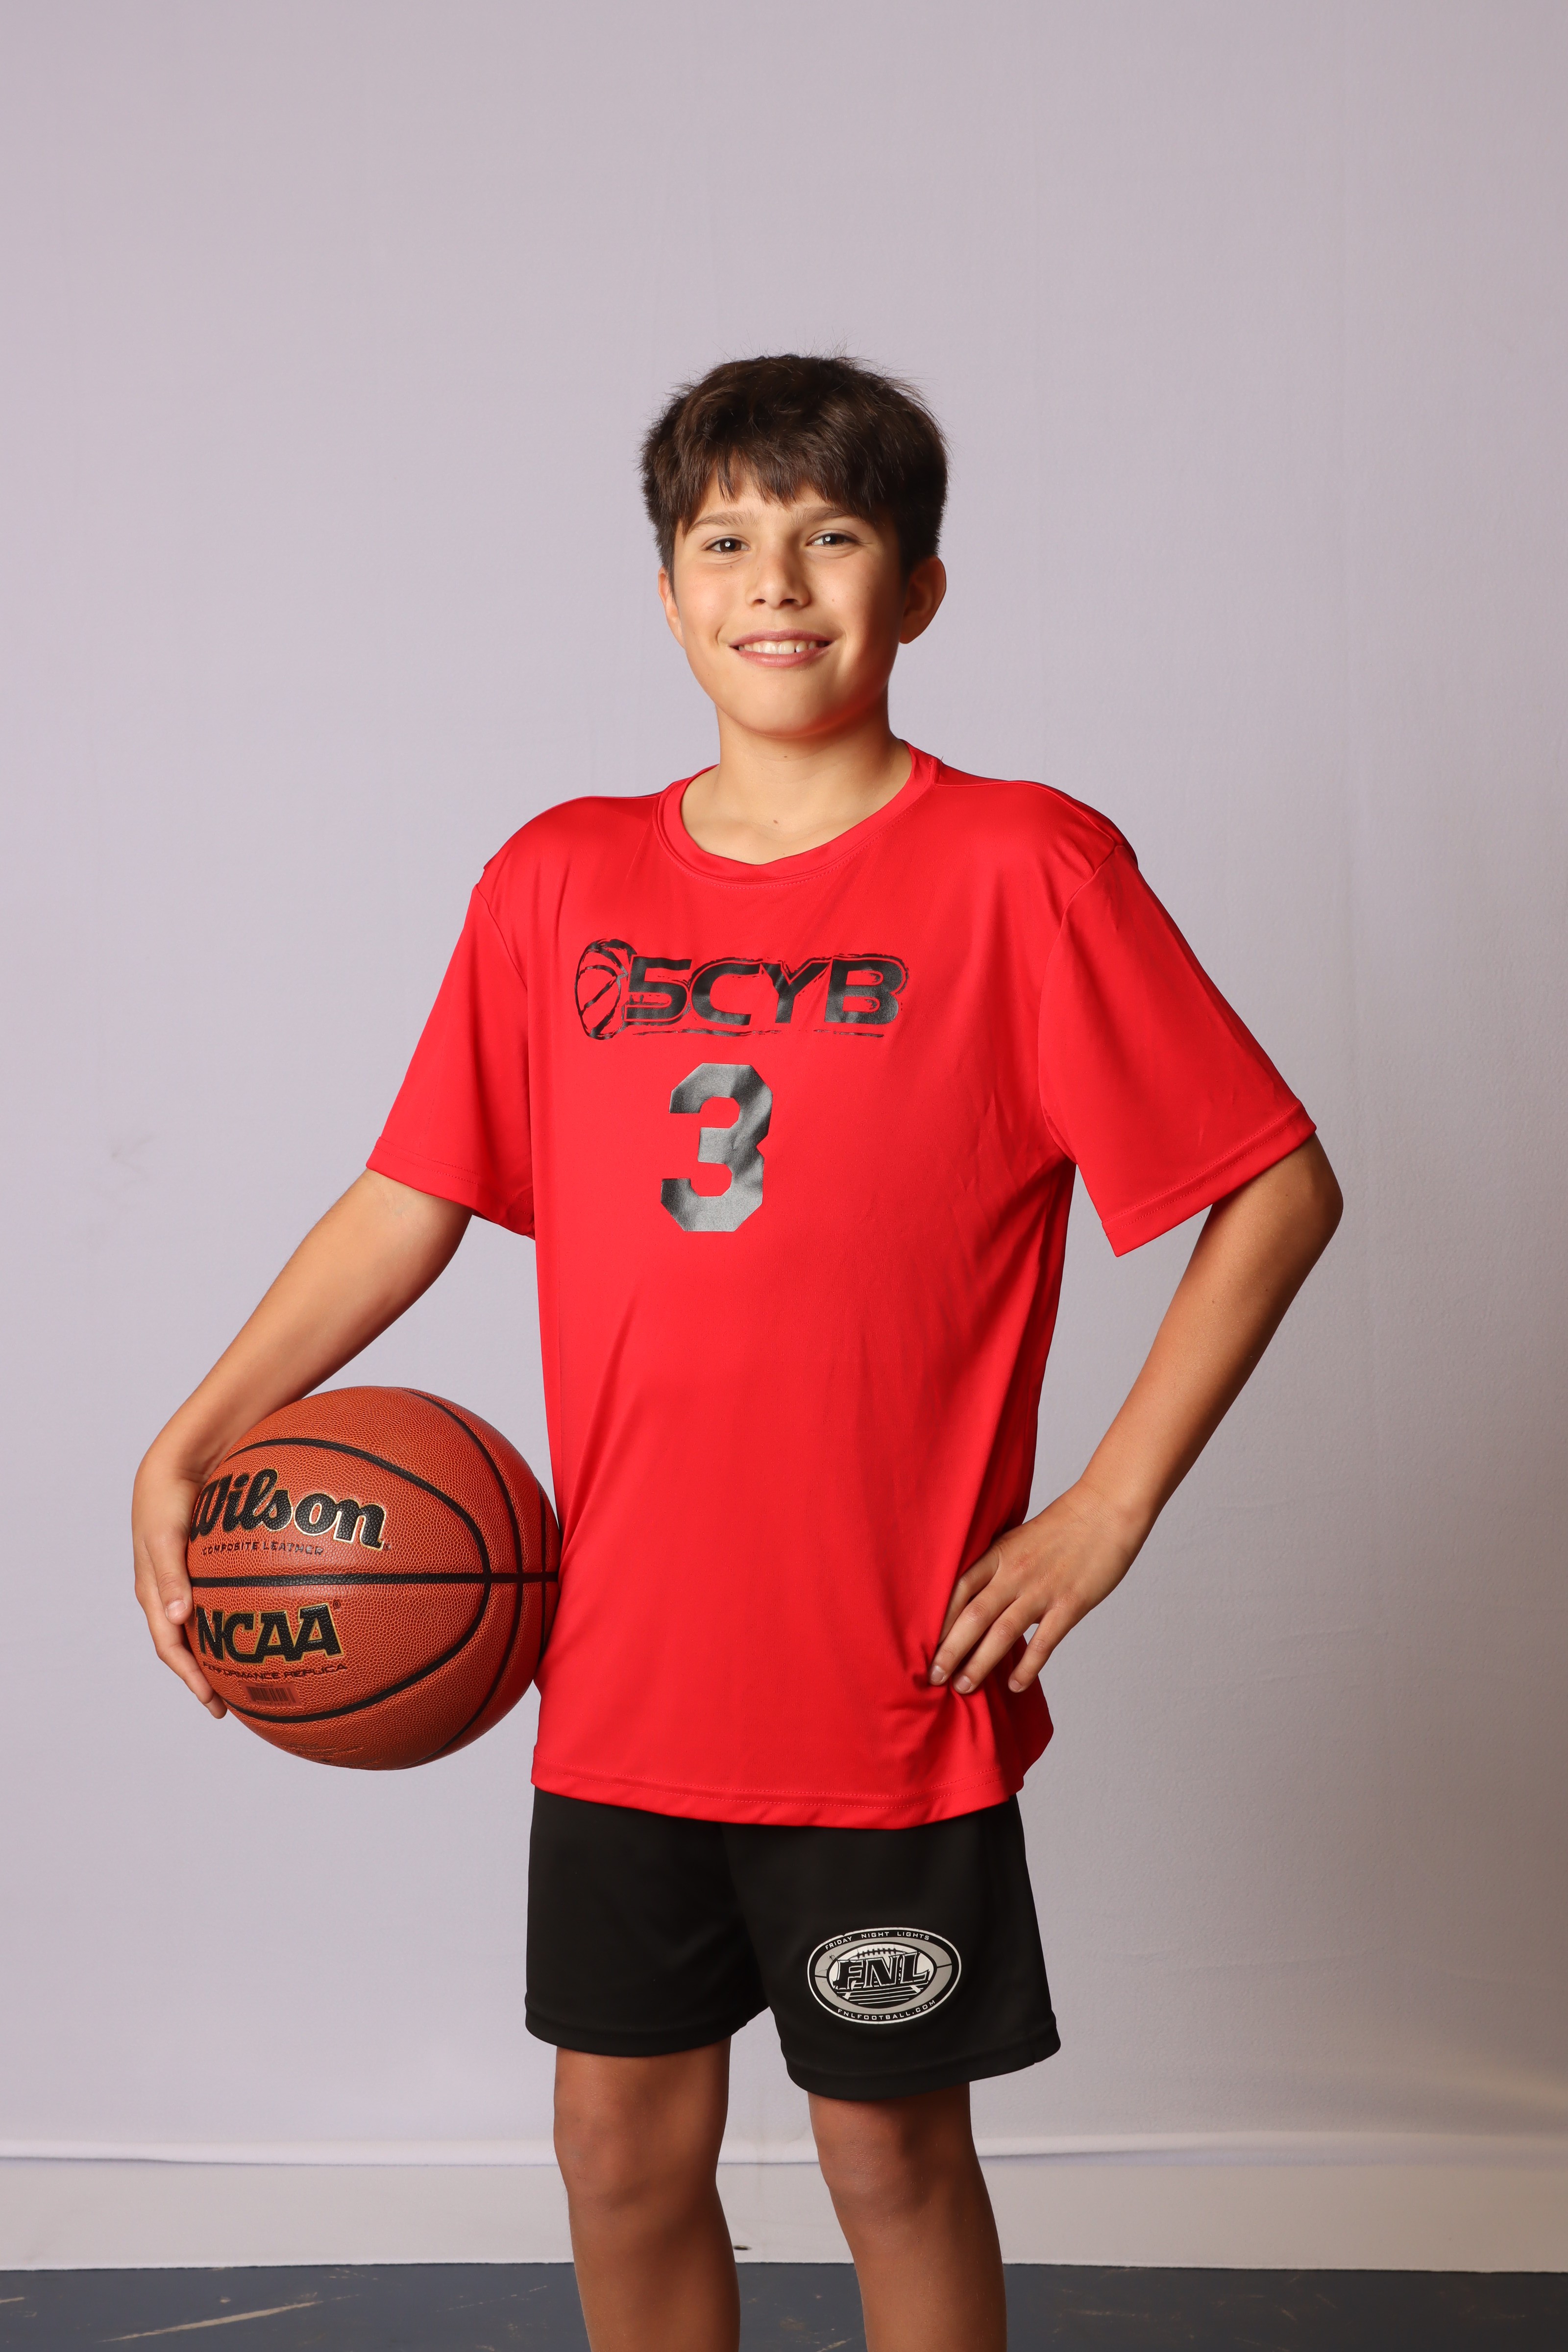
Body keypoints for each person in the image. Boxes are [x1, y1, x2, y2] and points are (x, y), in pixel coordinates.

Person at [132, 353, 1343, 2352]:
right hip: (622, 1659)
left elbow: (1271, 1187)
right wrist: (193, 1435)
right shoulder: (556, 880)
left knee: (888, 2157)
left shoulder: (1023, 869)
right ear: (667, 589)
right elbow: (411, 1195)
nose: (774, 581)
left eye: (830, 535)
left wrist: (1104, 1511)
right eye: (726, 540)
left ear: (917, 589)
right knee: (614, 2151)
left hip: (884, 1669)